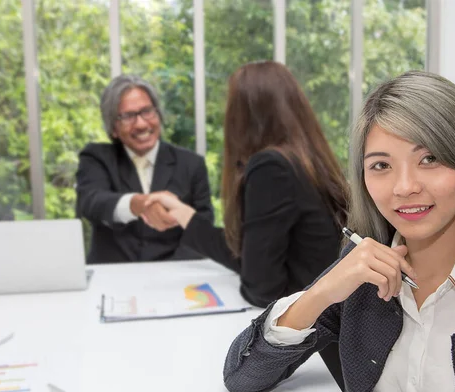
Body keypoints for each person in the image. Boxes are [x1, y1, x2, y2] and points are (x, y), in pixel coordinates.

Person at [221, 71, 455, 392]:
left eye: (429, 159)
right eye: (381, 165)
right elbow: (243, 376)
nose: (405, 187)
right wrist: (322, 292)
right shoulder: (363, 270)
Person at [144, 61, 348, 308]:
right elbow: (254, 256)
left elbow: (261, 288)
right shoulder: (308, 161)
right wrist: (184, 215)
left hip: (308, 329)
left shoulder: (270, 168)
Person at [76, 74, 213, 264]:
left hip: (174, 279)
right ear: (113, 128)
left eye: (147, 111)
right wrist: (138, 204)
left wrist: (169, 273)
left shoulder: (191, 164)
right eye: (128, 116)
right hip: (112, 279)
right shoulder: (96, 158)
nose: (141, 124)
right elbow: (91, 203)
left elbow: (202, 227)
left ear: (158, 114)